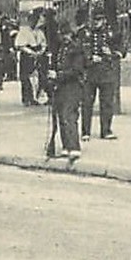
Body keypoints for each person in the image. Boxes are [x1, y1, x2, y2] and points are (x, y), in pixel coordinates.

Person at [50, 10, 87, 159]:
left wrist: (58, 75)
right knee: (61, 115)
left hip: (73, 87)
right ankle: (66, 145)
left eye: (66, 35)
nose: (64, 37)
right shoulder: (61, 49)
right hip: (61, 86)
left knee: (68, 115)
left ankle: (74, 146)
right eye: (62, 35)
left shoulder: (76, 49)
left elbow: (76, 70)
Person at [14, 10, 44, 106]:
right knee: (25, 77)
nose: (34, 22)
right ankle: (27, 98)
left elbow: (43, 43)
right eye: (32, 20)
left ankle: (35, 97)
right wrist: (31, 52)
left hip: (37, 53)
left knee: (37, 77)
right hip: (27, 54)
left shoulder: (39, 32)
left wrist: (40, 52)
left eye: (36, 20)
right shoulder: (24, 31)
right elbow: (19, 45)